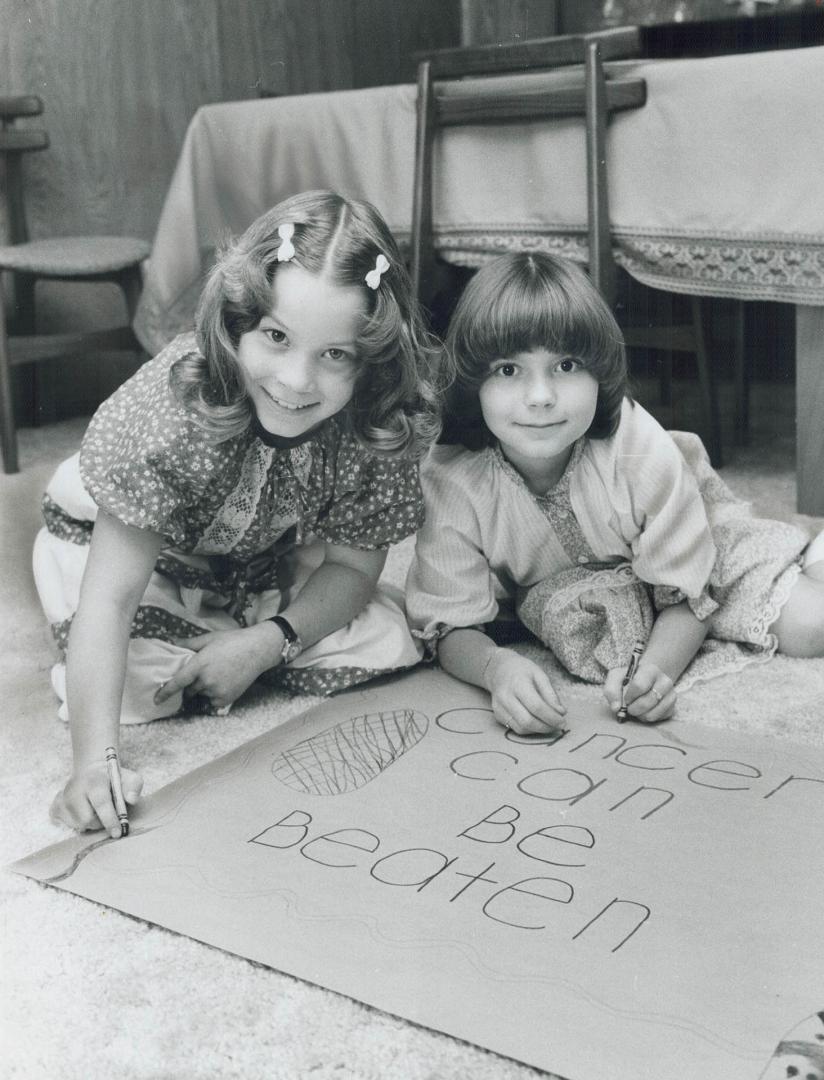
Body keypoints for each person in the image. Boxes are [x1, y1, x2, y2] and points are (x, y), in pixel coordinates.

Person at [35, 189, 439, 835]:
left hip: (261, 545)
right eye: (276, 337)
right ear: (236, 323)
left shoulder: (380, 420)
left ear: (374, 357)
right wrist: (93, 762)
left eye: (335, 354)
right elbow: (109, 599)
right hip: (126, 546)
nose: (297, 380)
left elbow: (354, 566)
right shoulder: (171, 414)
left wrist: (265, 643)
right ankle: (192, 641)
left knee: (389, 641)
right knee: (142, 691)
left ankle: (226, 636)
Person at [405, 252, 824, 735]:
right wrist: (496, 668)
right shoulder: (451, 476)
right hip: (569, 585)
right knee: (593, 650)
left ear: (599, 372)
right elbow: (448, 621)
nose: (540, 396)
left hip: (691, 550)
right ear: (471, 381)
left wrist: (657, 672)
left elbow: (689, 596)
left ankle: (807, 553)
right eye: (507, 370)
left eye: (565, 364)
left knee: (811, 626)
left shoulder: (640, 451)